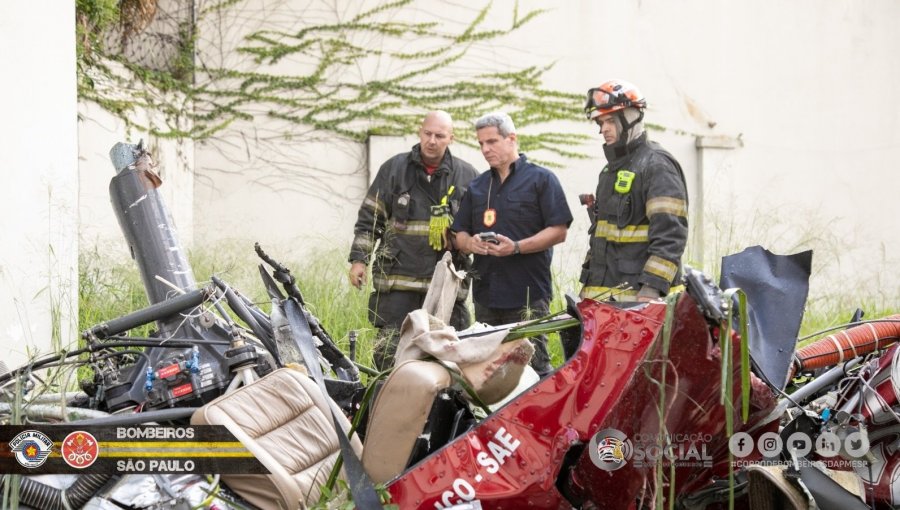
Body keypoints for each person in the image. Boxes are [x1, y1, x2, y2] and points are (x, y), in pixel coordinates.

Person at [348, 111, 479, 370]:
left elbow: (478, 234)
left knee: (449, 364)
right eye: (427, 133)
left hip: (445, 290)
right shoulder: (393, 170)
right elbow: (369, 220)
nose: (432, 140)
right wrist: (359, 260)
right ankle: (385, 408)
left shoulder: (467, 177)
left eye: (439, 136)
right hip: (398, 287)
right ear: (420, 133)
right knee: (388, 360)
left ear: (450, 138)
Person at [451, 112, 573, 376]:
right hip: (486, 296)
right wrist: (471, 243)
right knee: (490, 374)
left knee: (534, 371)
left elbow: (559, 231)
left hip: (527, 295)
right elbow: (458, 234)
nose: (485, 149)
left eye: (492, 141)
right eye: (481, 143)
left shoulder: (542, 180)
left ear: (512, 139)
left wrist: (515, 247)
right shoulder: (478, 187)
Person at [580, 79, 688, 302]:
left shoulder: (657, 166)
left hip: (642, 304)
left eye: (609, 120)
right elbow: (602, 240)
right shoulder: (609, 171)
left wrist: (652, 287)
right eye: (600, 122)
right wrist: (587, 289)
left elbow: (671, 236)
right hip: (605, 303)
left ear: (632, 117)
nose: (603, 129)